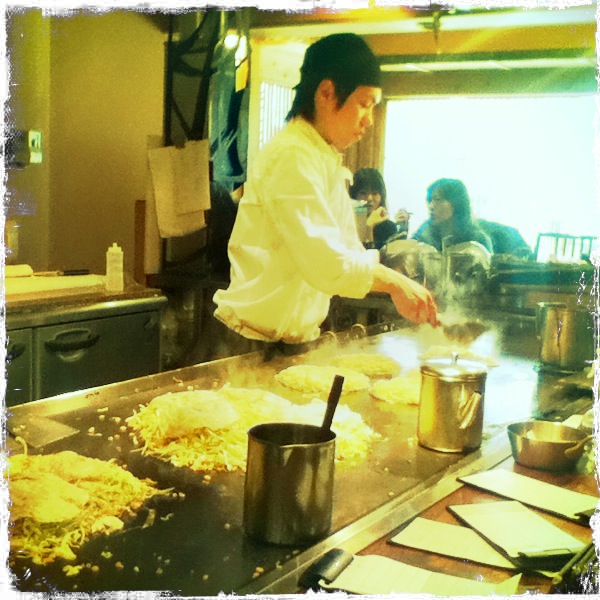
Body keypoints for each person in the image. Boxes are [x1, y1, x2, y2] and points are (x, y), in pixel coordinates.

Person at [213, 33, 439, 348]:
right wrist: (395, 283)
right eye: (364, 104)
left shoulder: (323, 157)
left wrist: (394, 276)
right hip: (249, 342)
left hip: (291, 342)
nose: (369, 120)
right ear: (327, 92)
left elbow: (346, 253)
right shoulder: (292, 155)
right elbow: (328, 265)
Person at [412, 178, 493, 252]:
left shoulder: (476, 240)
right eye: (429, 200)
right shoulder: (425, 232)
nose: (431, 206)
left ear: (456, 203)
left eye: (438, 200)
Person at [349, 167, 399, 250]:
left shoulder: (388, 228)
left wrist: (369, 226)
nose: (369, 198)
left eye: (375, 193)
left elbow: (370, 259)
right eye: (363, 193)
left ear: (381, 196)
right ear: (354, 196)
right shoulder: (346, 222)